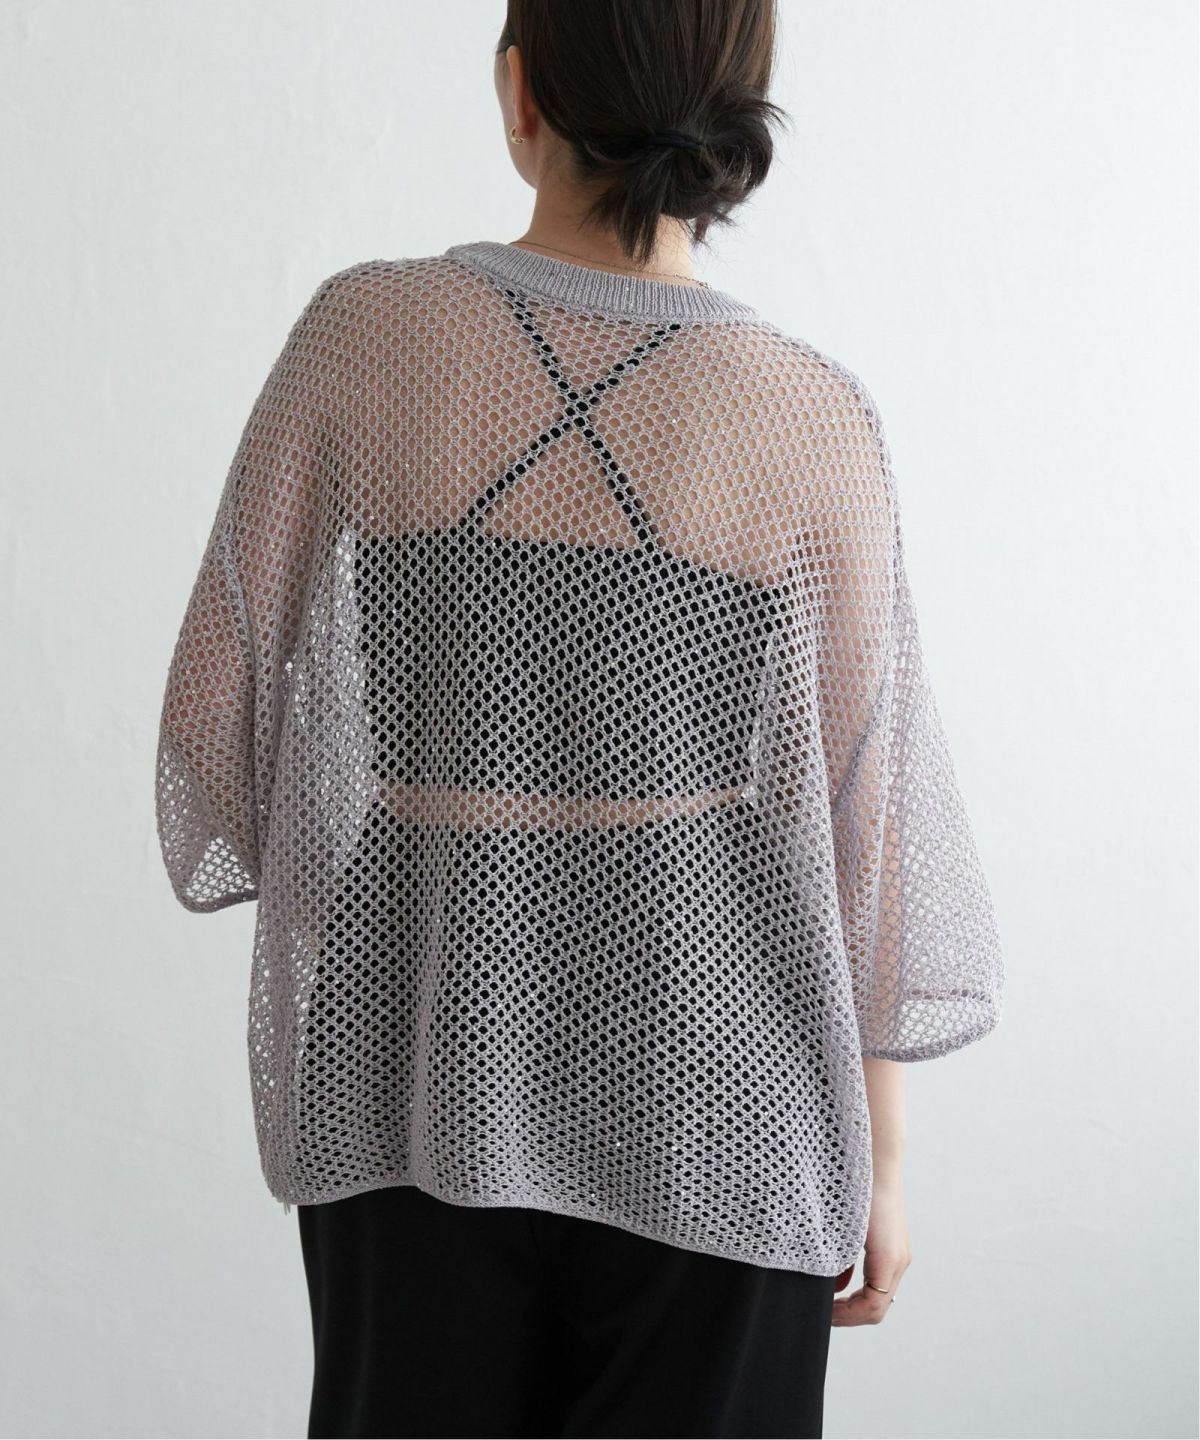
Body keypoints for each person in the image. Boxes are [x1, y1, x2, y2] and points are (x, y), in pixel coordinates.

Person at [154, 1, 1004, 1435]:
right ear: (735, 111)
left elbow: (212, 738)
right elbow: (874, 843)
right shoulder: (806, 417)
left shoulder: (367, 337)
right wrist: (886, 1164)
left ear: (520, 91)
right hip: (721, 1086)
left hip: (413, 1054)